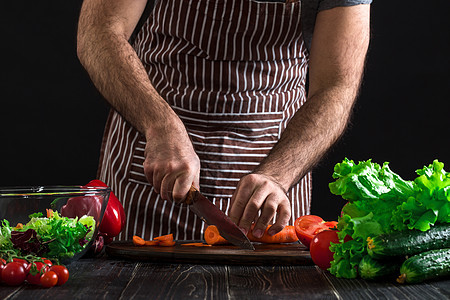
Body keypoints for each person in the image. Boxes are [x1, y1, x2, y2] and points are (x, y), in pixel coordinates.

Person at [77, 0, 372, 241]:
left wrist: (279, 175)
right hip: (152, 160)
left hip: (273, 166)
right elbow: (99, 32)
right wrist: (159, 125)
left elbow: (336, 86)